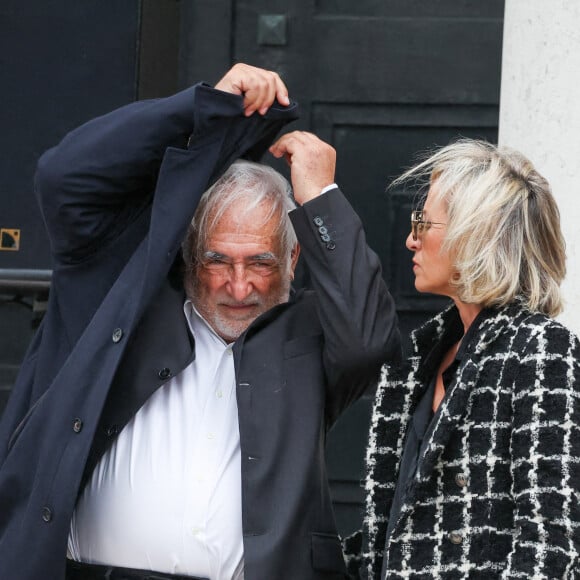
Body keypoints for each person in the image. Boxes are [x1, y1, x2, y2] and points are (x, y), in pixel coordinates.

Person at [0, 63, 401, 580]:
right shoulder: (120, 301)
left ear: (294, 258)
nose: (239, 287)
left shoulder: (309, 339)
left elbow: (371, 343)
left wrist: (321, 199)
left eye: (260, 263)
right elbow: (65, 179)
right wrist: (198, 108)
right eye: (218, 261)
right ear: (190, 255)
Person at [344, 139, 580, 579]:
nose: (411, 239)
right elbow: (395, 538)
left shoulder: (541, 350)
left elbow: (549, 546)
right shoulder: (418, 358)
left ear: (475, 234)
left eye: (424, 223)